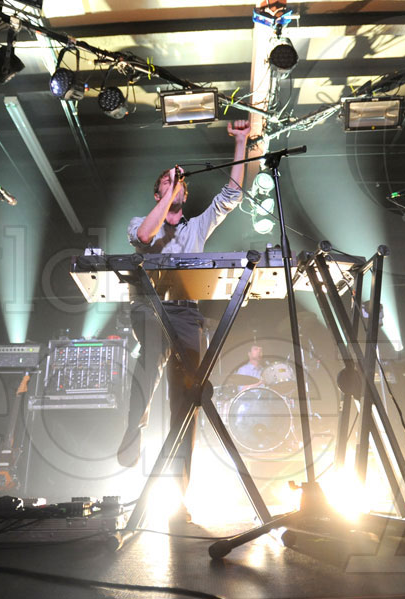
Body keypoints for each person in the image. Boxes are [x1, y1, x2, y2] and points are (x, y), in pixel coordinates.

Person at [118, 119, 251, 519]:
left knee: (188, 400)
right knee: (156, 345)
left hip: (186, 313)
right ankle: (133, 431)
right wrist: (168, 192)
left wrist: (241, 141)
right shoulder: (138, 222)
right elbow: (145, 235)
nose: (174, 187)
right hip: (150, 306)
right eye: (165, 183)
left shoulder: (196, 228)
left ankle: (179, 496)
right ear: (158, 192)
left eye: (178, 184)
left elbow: (232, 194)